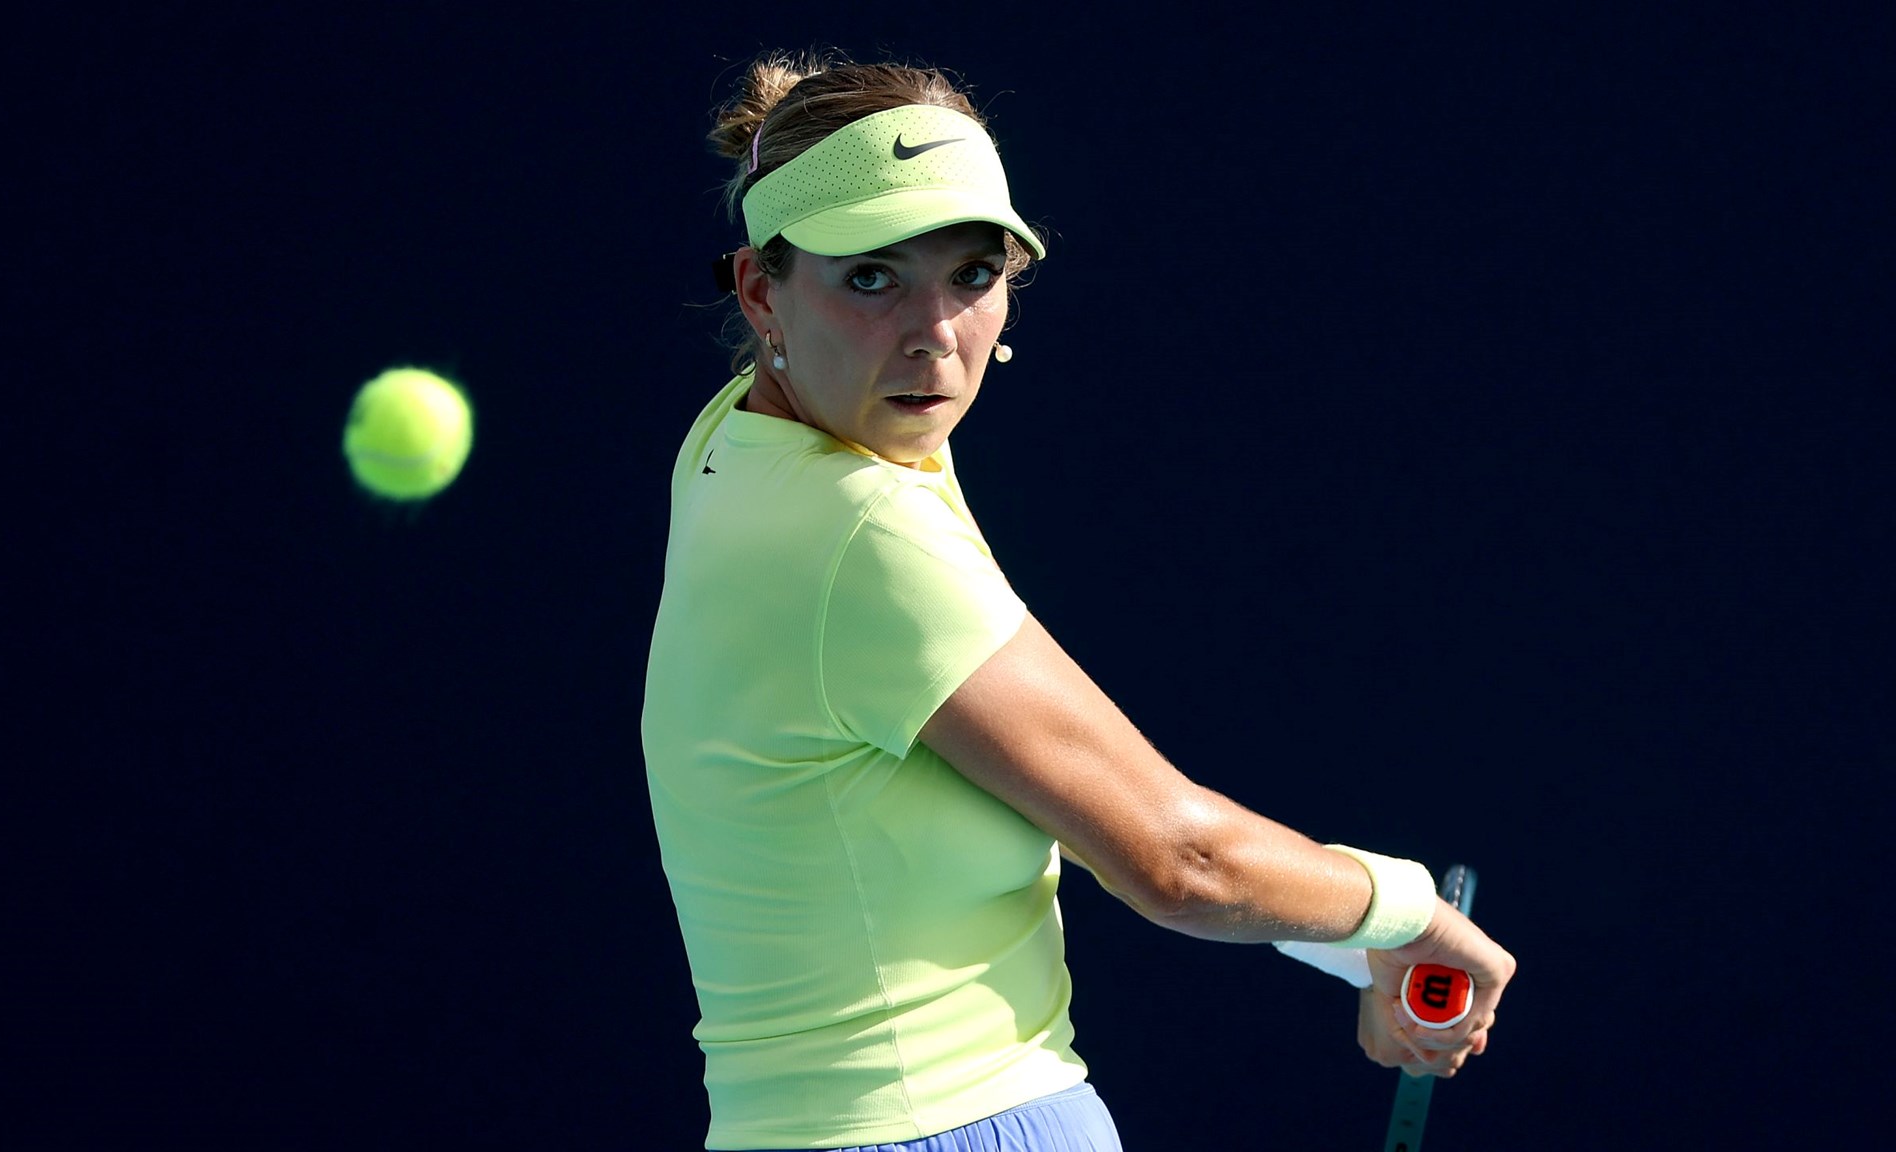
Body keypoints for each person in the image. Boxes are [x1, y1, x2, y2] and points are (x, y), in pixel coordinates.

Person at [640, 52, 1516, 1152]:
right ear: (761, 288)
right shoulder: (861, 532)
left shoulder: (744, 441)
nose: (933, 335)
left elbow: (1043, 793)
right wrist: (1409, 910)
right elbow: (1174, 861)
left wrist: (1344, 944)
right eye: (871, 277)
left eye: (969, 273)